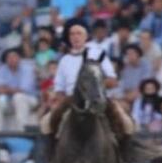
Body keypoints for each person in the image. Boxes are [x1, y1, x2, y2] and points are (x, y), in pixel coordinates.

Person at [41, 25, 135, 155]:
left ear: (86, 37)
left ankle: (124, 158)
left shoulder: (98, 54)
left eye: (79, 33)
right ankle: (52, 159)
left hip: (98, 97)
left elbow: (112, 80)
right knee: (46, 123)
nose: (75, 37)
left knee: (127, 124)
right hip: (71, 99)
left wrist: (93, 85)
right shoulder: (65, 60)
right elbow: (59, 88)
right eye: (72, 34)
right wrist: (61, 101)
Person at [0, 48, 39, 132]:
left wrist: (6, 89)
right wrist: (8, 90)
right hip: (8, 101)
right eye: (9, 57)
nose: (11, 59)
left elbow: (23, 89)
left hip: (30, 99)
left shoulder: (27, 69)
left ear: (19, 58)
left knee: (18, 96)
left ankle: (22, 131)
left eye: (14, 57)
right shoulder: (2, 69)